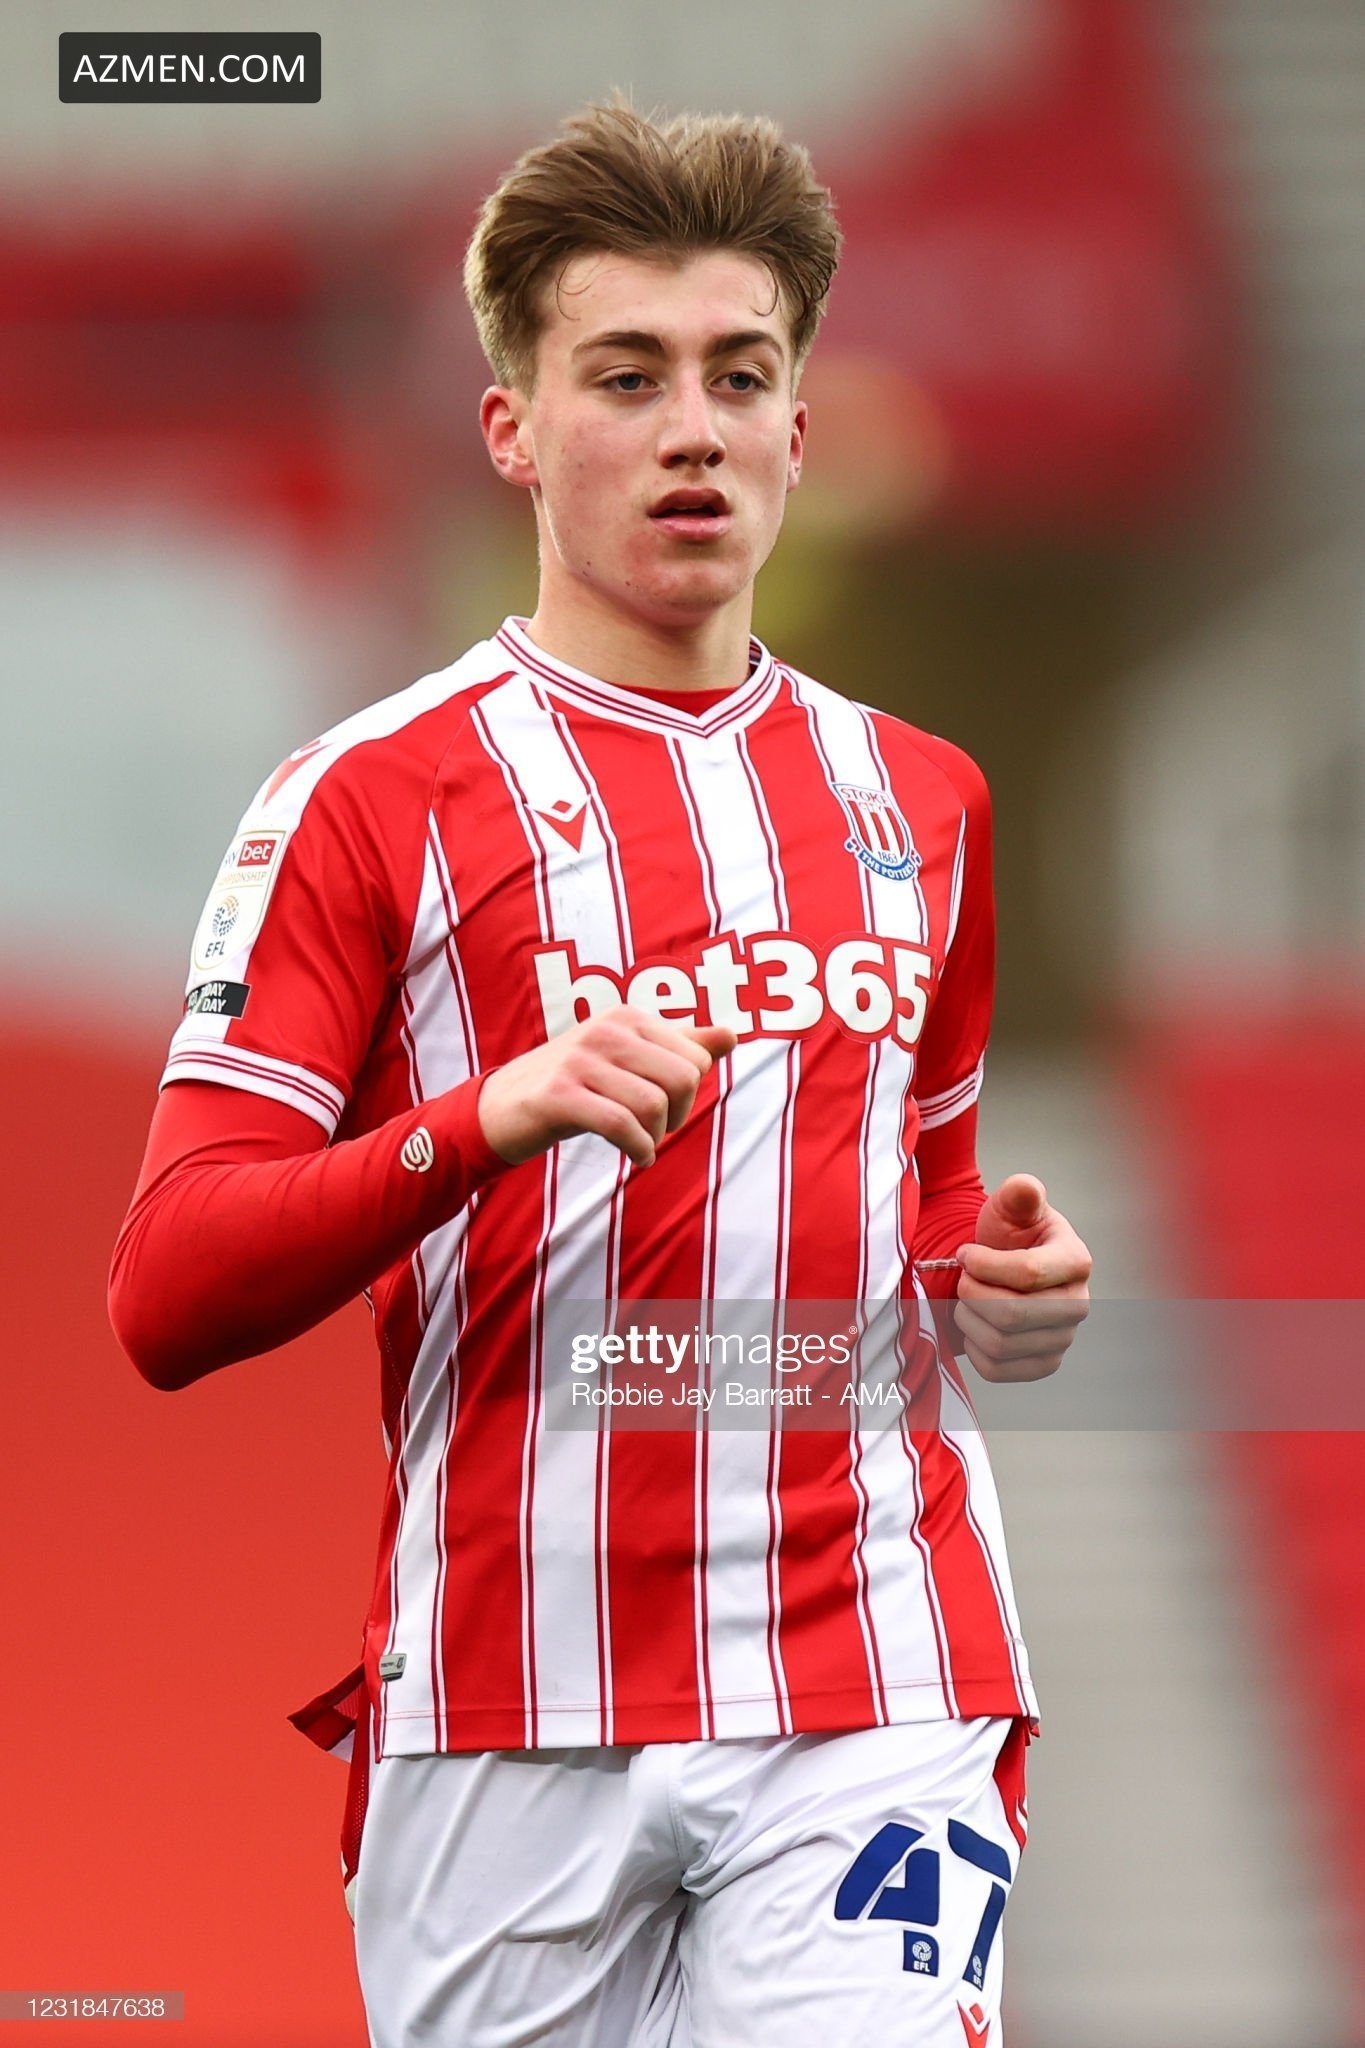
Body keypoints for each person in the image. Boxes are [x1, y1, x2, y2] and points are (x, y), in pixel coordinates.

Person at [110, 99, 1091, 2048]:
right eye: (626, 377)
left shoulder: (925, 802)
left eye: (739, 375)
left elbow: (915, 1202)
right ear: (513, 429)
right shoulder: (363, 800)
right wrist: (486, 1116)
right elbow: (167, 1288)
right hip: (505, 1697)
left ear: (799, 428)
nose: (691, 428)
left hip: (872, 1675)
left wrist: (999, 1282)